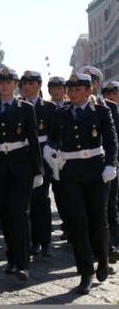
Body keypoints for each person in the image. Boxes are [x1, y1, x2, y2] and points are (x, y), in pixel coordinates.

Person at [45, 73, 117, 294]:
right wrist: (50, 149)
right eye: (71, 88)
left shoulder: (102, 111)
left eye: (78, 88)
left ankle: (103, 259)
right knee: (78, 223)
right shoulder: (61, 113)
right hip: (71, 173)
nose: (73, 92)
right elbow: (53, 137)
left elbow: (111, 140)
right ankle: (85, 272)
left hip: (97, 172)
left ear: (89, 91)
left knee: (98, 220)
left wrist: (110, 164)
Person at [0, 67, 42, 281]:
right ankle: (12, 258)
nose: (4, 85)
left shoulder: (25, 108)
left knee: (19, 213)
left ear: (16, 84)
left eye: (8, 81)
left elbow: (33, 140)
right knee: (4, 214)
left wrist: (38, 170)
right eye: (0, 81)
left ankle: (23, 263)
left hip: (21, 165)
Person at [82, 65, 119, 265]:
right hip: (87, 165)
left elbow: (115, 137)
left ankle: (111, 244)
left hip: (108, 164)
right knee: (91, 209)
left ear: (97, 84)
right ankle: (94, 245)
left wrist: (113, 163)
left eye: (93, 81)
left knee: (110, 206)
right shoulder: (75, 109)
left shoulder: (110, 108)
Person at [20, 70, 57, 257]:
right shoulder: (17, 106)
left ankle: (46, 241)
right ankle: (32, 240)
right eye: (24, 84)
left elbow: (56, 133)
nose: (27, 87)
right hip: (23, 156)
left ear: (39, 86)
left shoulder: (49, 108)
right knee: (27, 201)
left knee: (42, 199)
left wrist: (51, 148)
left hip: (43, 155)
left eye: (32, 84)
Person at [47, 76, 70, 241]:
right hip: (48, 154)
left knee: (66, 192)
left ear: (64, 90)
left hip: (66, 156)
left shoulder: (70, 107)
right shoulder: (45, 107)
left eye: (59, 88)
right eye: (53, 89)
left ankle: (69, 225)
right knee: (56, 192)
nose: (56, 92)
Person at [102, 81, 119, 263]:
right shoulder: (106, 110)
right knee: (110, 204)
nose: (110, 95)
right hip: (110, 162)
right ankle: (112, 244)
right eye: (107, 92)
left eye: (114, 92)